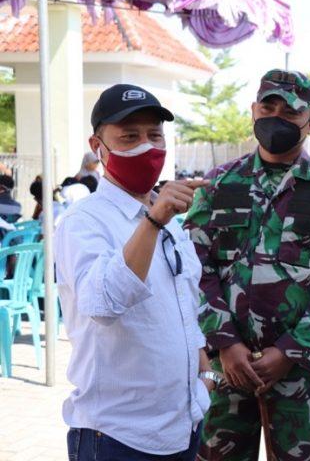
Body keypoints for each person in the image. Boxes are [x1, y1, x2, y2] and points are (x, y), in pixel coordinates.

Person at [186, 69, 310, 461]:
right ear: (254, 110)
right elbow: (195, 267)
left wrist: (288, 352)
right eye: (269, 108)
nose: (276, 118)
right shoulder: (218, 184)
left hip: (299, 375)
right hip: (225, 368)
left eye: (291, 112)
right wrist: (226, 343)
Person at [55, 84, 217, 461]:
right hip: (118, 437)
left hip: (182, 427)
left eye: (154, 135)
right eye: (129, 137)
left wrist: (206, 378)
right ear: (98, 147)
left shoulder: (169, 218)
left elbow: (184, 303)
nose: (146, 147)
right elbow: (103, 304)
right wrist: (153, 222)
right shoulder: (84, 221)